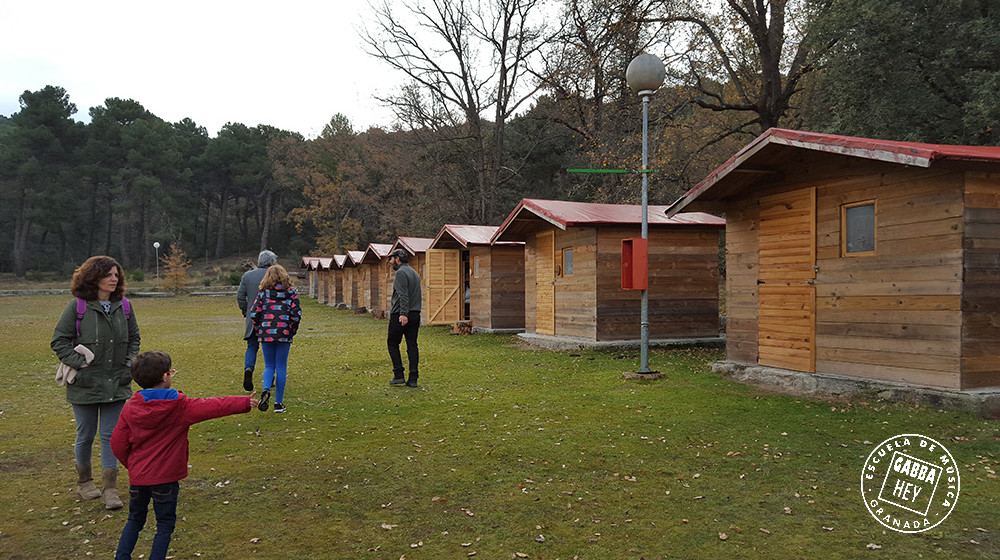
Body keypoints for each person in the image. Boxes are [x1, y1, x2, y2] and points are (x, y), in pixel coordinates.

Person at [111, 350, 258, 560]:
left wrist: (133, 465)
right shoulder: (180, 407)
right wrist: (243, 402)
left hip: (139, 479)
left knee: (134, 519)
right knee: (164, 524)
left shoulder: (129, 408)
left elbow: (117, 443)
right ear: (165, 377)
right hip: (166, 480)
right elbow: (212, 406)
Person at [51, 256, 140, 510]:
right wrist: (79, 364)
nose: (115, 279)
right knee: (86, 434)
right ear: (94, 277)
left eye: (116, 275)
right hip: (85, 384)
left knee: (112, 436)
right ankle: (85, 482)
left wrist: (129, 364)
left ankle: (110, 488)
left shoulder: (125, 306)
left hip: (118, 382)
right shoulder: (77, 307)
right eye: (109, 275)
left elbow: (134, 338)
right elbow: (59, 341)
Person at [250, 264, 301, 412]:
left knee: (269, 366)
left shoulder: (263, 294)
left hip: (267, 334)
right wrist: (291, 331)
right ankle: (278, 403)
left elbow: (254, 313)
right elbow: (296, 315)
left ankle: (266, 388)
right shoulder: (291, 293)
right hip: (284, 334)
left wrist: (260, 329)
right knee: (281, 367)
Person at [237, 250, 277, 392]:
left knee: (252, 346)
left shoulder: (247, 276)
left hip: (253, 318)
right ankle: (270, 379)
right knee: (270, 349)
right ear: (271, 262)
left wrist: (246, 312)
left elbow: (240, 297)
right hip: (271, 319)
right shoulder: (274, 276)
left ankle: (248, 369)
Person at [387, 248, 422, 387]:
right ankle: (413, 378)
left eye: (391, 259)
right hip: (415, 313)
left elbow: (403, 295)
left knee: (392, 343)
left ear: (397, 258)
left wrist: (403, 314)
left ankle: (398, 374)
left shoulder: (401, 273)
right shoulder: (414, 272)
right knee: (412, 345)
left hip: (401, 315)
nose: (390, 262)